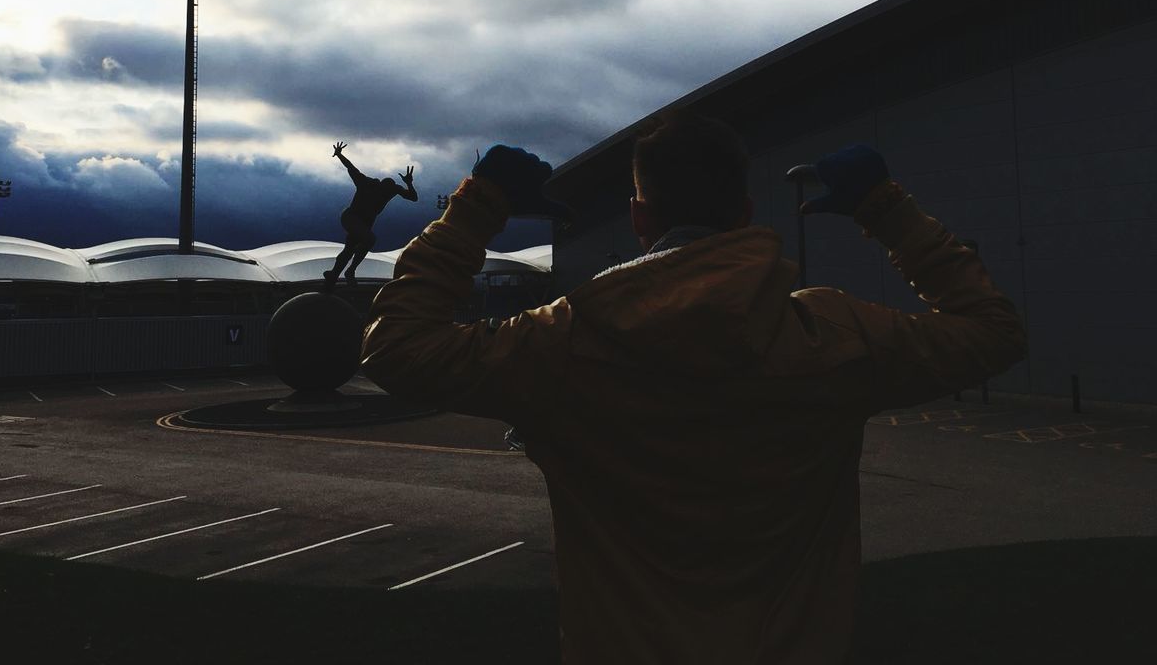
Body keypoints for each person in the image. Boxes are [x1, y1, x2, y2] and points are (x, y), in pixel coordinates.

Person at [360, 113, 1028, 664]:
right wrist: (887, 211)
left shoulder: (563, 340)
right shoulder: (828, 333)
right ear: (743, 211)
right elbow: (993, 333)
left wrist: (477, 207)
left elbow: (397, 346)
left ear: (638, 218)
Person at [323, 141, 418, 291]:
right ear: (379, 185)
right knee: (369, 239)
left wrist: (409, 184)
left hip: (364, 223)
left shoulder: (392, 190)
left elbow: (413, 198)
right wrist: (340, 155)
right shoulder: (366, 183)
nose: (386, 195)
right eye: (385, 191)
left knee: (349, 250)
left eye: (389, 192)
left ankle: (334, 274)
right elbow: (350, 167)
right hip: (351, 218)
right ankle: (349, 271)